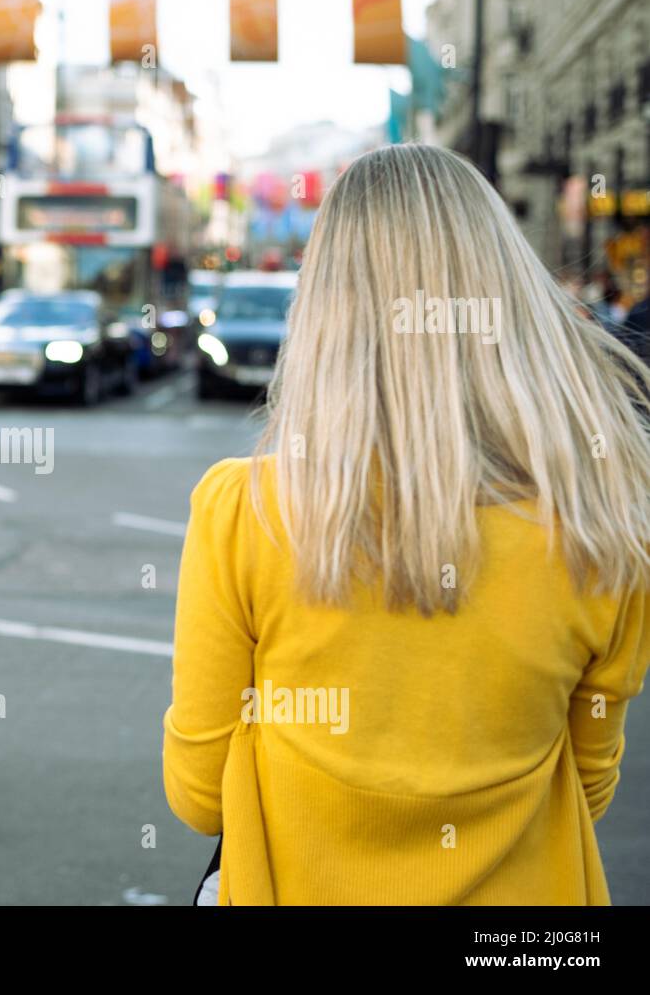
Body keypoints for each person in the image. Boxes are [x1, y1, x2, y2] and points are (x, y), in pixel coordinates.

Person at [164, 144, 650, 906]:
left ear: (325, 308)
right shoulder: (605, 523)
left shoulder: (244, 513)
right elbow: (588, 788)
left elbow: (199, 796)